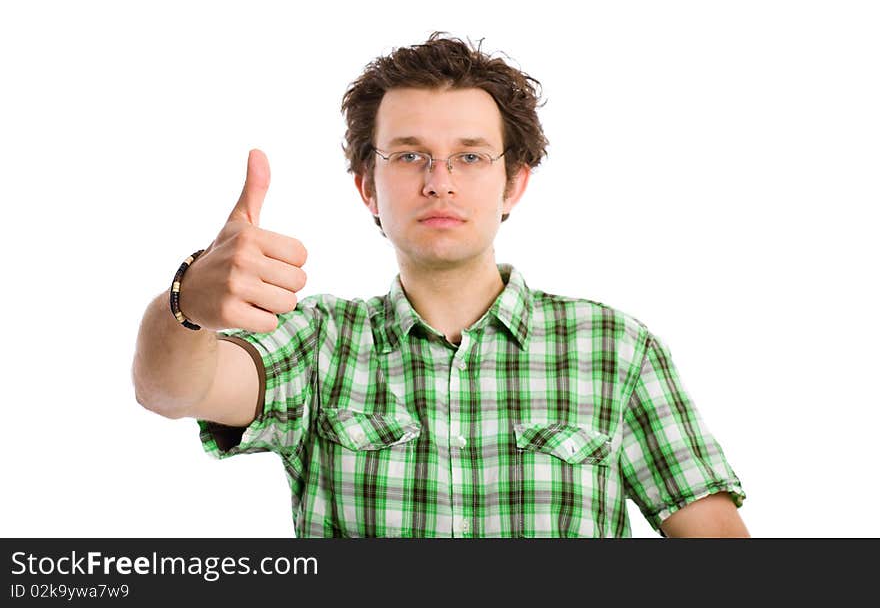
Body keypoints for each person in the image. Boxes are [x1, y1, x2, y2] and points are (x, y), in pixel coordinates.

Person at [132, 31, 748, 538]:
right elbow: (172, 389)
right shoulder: (319, 343)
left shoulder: (616, 348)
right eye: (409, 155)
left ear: (514, 183)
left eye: (471, 156)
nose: (439, 181)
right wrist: (188, 304)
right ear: (368, 187)